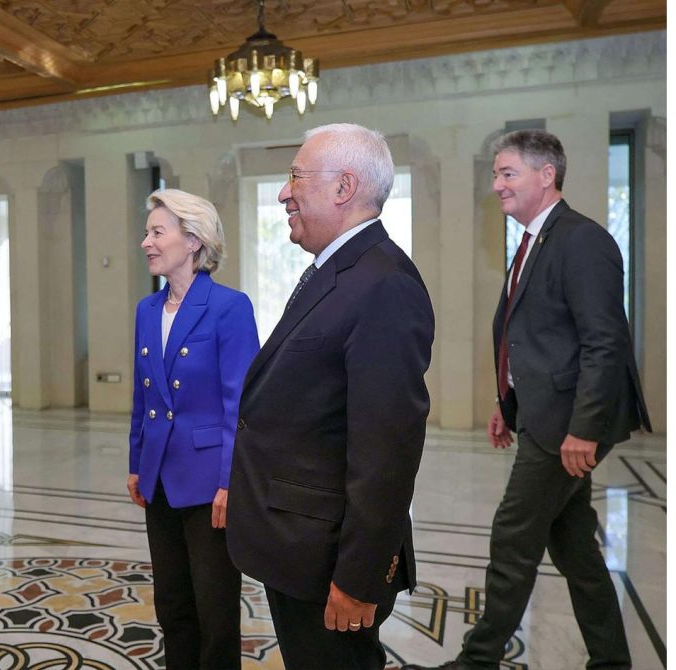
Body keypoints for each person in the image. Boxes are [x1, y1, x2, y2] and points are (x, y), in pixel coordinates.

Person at [403, 130, 651, 670]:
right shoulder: (535, 239)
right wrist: (508, 400)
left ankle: (478, 661)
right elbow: (536, 338)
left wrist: (583, 429)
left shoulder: (580, 240)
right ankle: (612, 660)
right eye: (496, 174)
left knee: (513, 535)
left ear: (547, 175)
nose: (496, 184)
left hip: (566, 424)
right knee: (575, 548)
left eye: (507, 173)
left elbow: (604, 342)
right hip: (544, 412)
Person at [226, 123, 435, 670]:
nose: (283, 193)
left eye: (296, 177)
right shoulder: (338, 271)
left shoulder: (384, 283)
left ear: (344, 187)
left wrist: (359, 578)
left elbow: (386, 451)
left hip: (330, 560)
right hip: (300, 546)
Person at [127, 188, 260, 669]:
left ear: (193, 240)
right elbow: (143, 397)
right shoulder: (147, 310)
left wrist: (230, 482)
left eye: (157, 232)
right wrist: (136, 463)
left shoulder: (229, 307)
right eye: (147, 232)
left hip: (209, 486)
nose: (146, 242)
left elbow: (241, 405)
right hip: (159, 479)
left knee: (215, 613)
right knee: (173, 606)